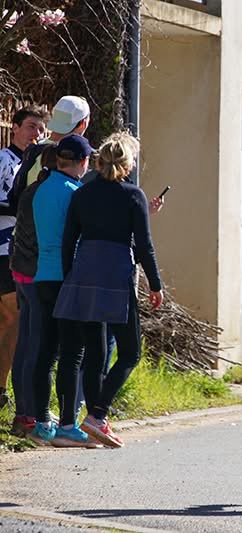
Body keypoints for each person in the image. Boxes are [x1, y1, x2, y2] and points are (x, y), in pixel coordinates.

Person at [54, 132, 162, 448]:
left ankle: (93, 424)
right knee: (130, 352)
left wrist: (68, 277)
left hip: (84, 272)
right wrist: (155, 285)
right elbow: (144, 245)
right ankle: (97, 414)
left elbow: (68, 240)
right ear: (127, 165)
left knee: (94, 352)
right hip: (117, 276)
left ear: (99, 162)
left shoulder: (82, 194)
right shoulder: (133, 196)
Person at [28, 134, 95, 447]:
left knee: (46, 350)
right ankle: (68, 425)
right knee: (72, 351)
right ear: (82, 163)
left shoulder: (42, 189)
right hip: (67, 278)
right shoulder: (75, 193)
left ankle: (42, 421)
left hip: (42, 276)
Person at [0, 104, 48, 412]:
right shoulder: (4, 161)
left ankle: (3, 388)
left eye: (41, 129)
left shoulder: (40, 164)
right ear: (15, 127)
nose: (37, 134)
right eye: (31, 126)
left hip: (21, 253)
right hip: (2, 249)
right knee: (12, 318)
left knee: (12, 320)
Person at [8, 145, 56, 438]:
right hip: (38, 275)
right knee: (39, 348)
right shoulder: (50, 194)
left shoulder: (29, 191)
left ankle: (23, 415)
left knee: (26, 344)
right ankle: (36, 416)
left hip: (21, 273)